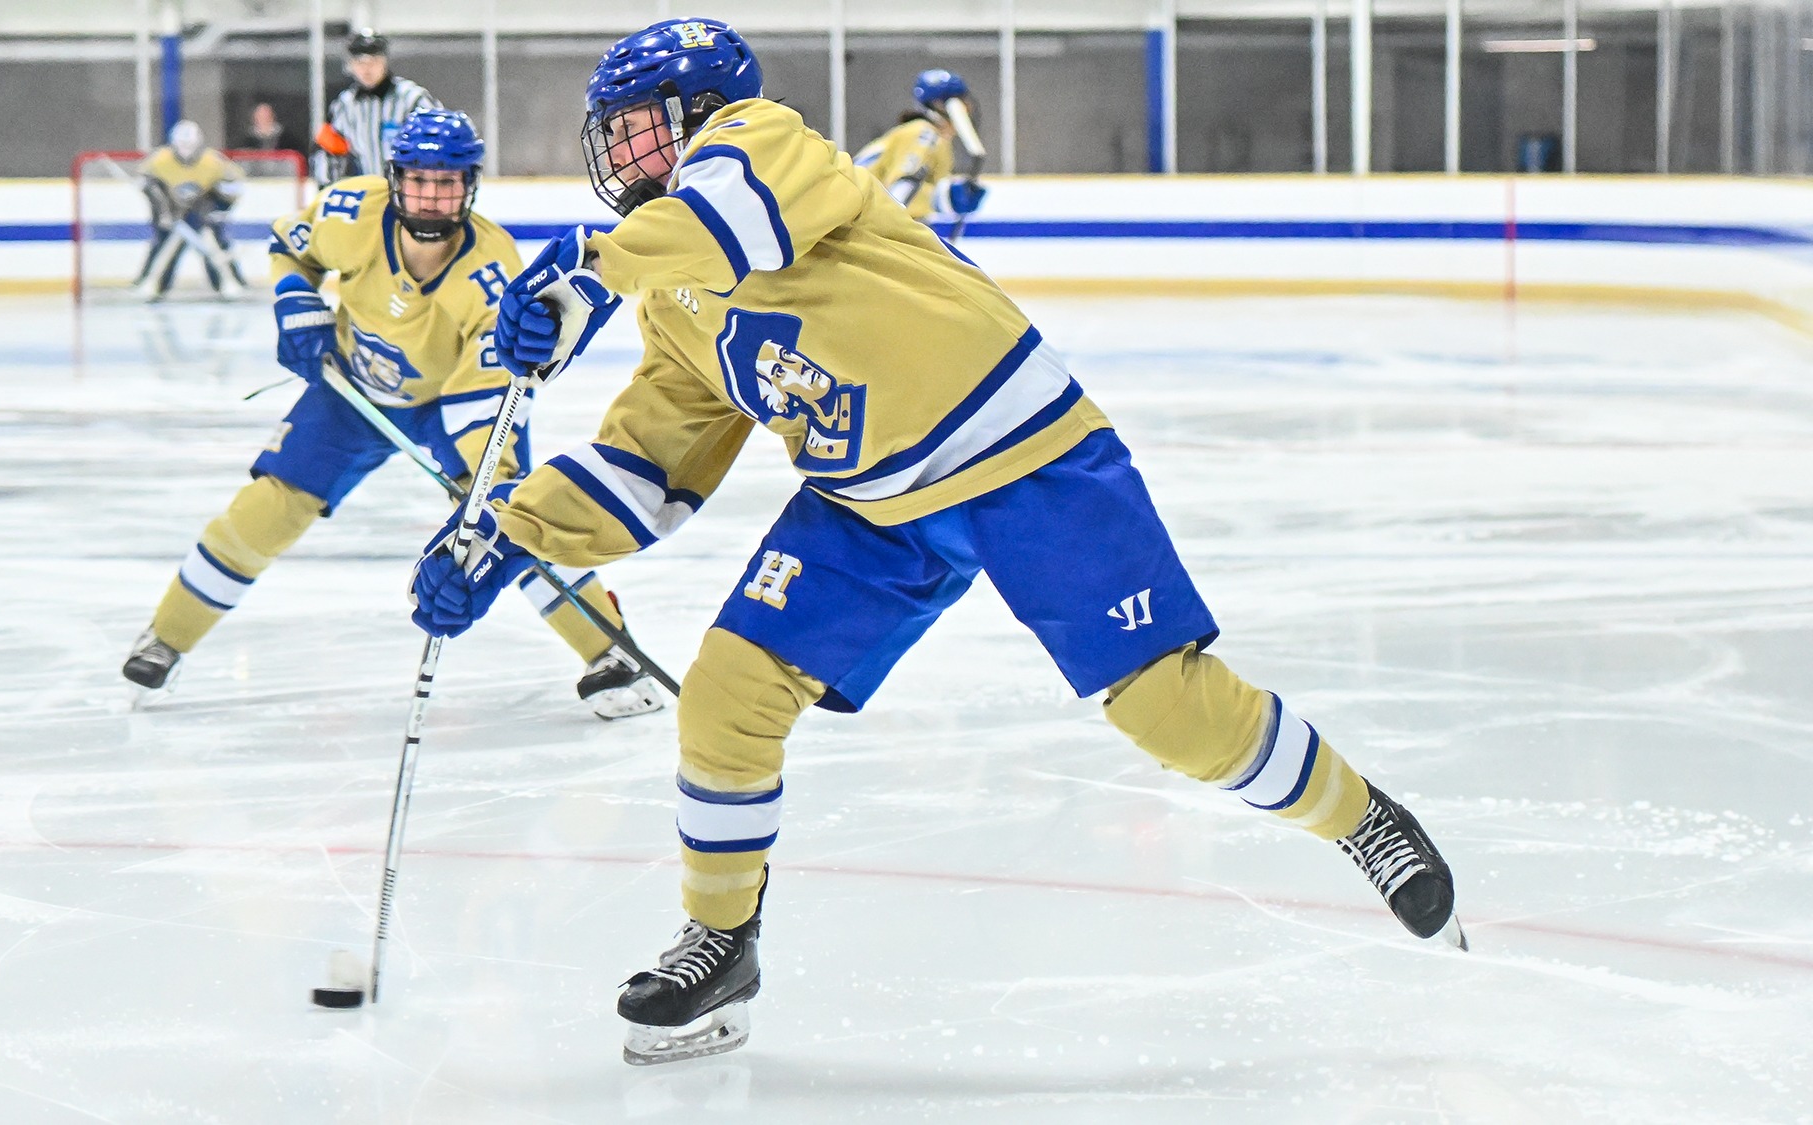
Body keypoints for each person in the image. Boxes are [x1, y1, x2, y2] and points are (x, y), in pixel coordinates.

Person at [408, 18, 1465, 1065]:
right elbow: (650, 466)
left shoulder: (760, 141)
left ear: (696, 114)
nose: (617, 154)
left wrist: (588, 272)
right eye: (612, 134)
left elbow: (728, 224)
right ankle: (720, 941)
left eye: (637, 128)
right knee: (728, 688)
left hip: (1020, 453)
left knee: (1166, 710)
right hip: (868, 505)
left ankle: (1359, 818)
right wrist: (508, 538)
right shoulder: (670, 309)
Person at [124, 109, 663, 721]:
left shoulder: (491, 272)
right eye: (420, 181)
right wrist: (296, 298)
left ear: (472, 184)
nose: (433, 198)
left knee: (511, 517)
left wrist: (485, 479)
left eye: (449, 182)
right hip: (349, 393)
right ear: (394, 178)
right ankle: (165, 637)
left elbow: (484, 392)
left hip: (448, 404)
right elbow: (290, 247)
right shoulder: (349, 211)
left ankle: (611, 654)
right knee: (269, 507)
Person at [133, 120, 248, 302]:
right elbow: (145, 183)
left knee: (216, 244)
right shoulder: (160, 160)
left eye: (190, 145)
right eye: (181, 145)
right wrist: (162, 209)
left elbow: (234, 187)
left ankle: (229, 283)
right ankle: (153, 284)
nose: (186, 150)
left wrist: (216, 208)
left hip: (202, 211)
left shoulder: (213, 161)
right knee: (163, 244)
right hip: (171, 210)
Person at [853, 69, 986, 224]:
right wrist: (944, 197)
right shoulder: (924, 134)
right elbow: (899, 191)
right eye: (963, 102)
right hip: (854, 222)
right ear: (943, 106)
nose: (968, 108)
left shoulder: (930, 136)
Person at [312, 29, 440, 187]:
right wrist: (328, 188)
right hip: (373, 194)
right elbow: (328, 150)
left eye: (374, 61)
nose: (367, 69)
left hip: (414, 192)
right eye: (360, 62)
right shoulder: (344, 105)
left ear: (384, 62)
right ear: (350, 65)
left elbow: (438, 140)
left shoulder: (411, 98)